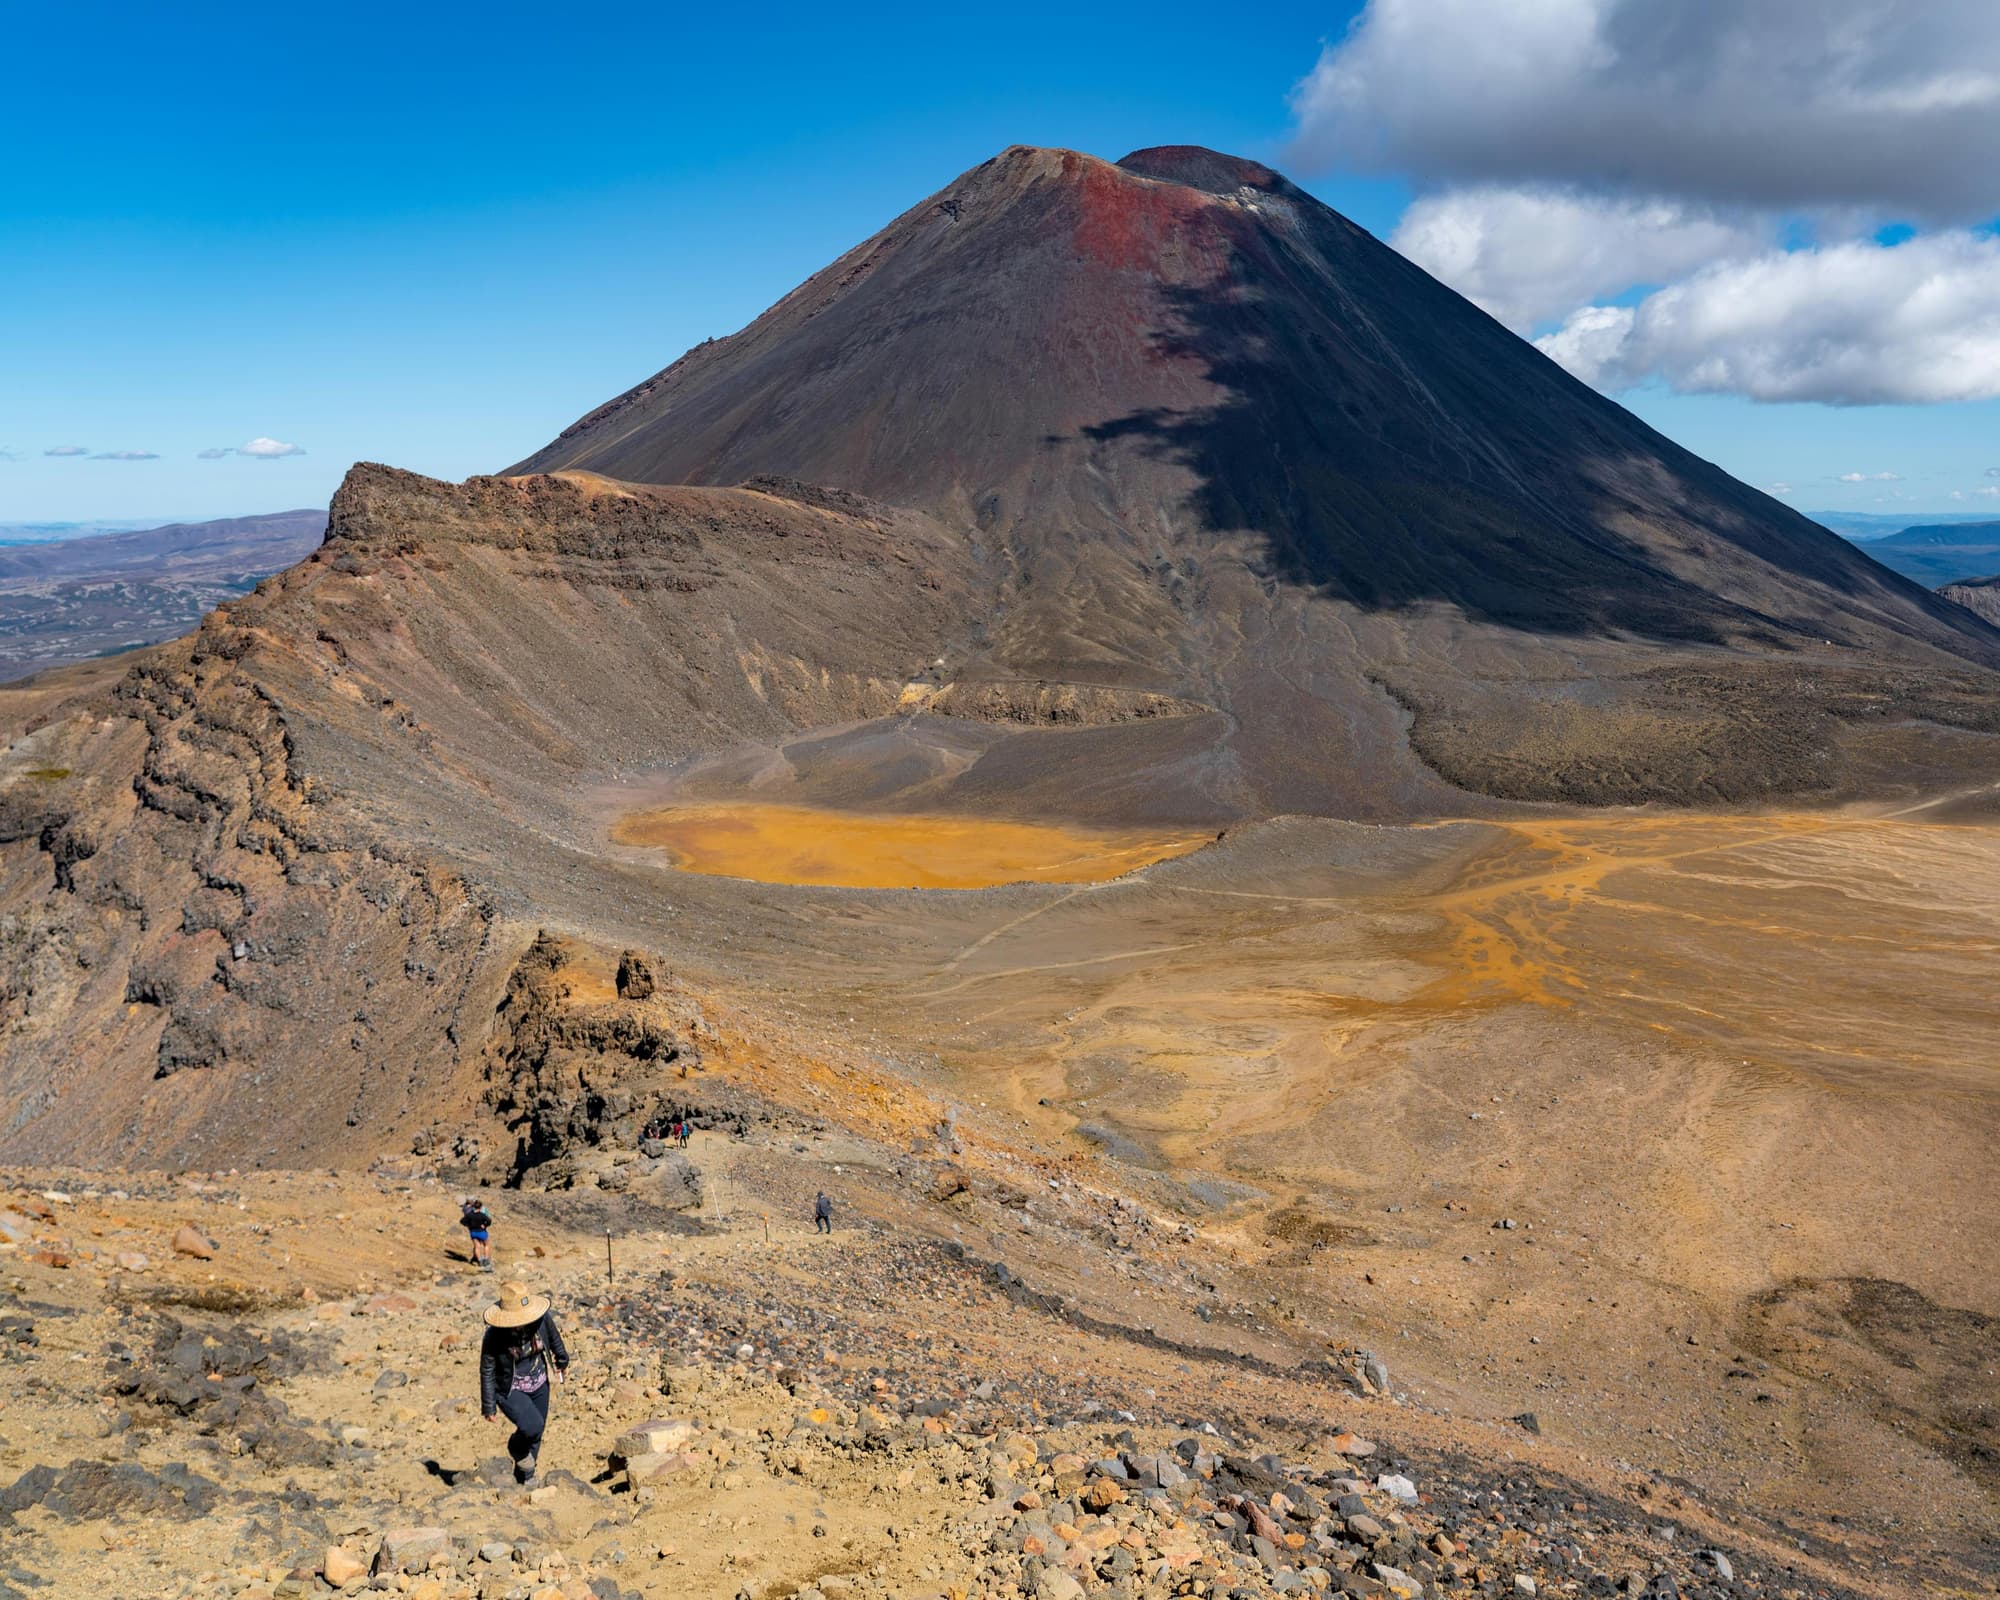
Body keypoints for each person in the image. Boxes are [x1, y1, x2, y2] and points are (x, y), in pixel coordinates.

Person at [480, 1280, 569, 1485]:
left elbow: (554, 1339)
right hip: (510, 1388)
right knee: (533, 1426)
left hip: (539, 1382)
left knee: (537, 1432)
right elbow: (487, 1369)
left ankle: (525, 1478)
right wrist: (488, 1406)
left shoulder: (540, 1319)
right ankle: (516, 1447)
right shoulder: (493, 1335)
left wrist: (562, 1360)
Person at [460, 1197, 493, 1272]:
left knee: (476, 1246)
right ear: (480, 1207)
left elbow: (462, 1221)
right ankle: (486, 1260)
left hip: (473, 1232)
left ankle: (479, 1260)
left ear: (473, 1206)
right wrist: (485, 1225)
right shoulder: (482, 1215)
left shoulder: (470, 1215)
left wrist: (469, 1225)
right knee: (486, 1245)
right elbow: (489, 1221)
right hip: (481, 1232)